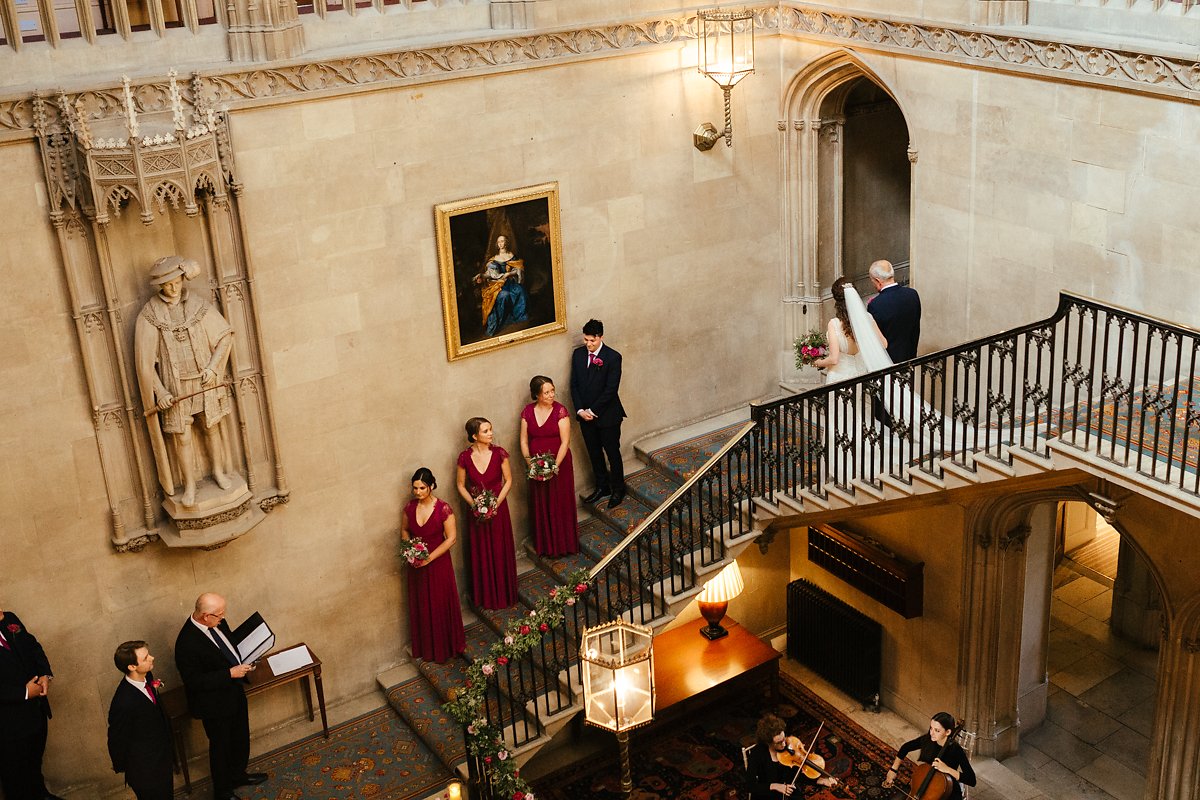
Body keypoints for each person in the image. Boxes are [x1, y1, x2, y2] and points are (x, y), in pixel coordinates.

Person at [134, 255, 236, 509]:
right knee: (182, 436)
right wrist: (160, 391)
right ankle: (189, 484)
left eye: (176, 282)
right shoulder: (150, 314)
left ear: (182, 278)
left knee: (211, 427)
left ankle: (219, 472)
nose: (173, 288)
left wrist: (214, 368)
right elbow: (146, 363)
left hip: (203, 380)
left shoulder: (198, 306)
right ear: (160, 286)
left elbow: (225, 336)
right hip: (176, 386)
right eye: (167, 284)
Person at [174, 593, 267, 800]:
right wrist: (229, 673)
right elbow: (194, 681)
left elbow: (228, 646)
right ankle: (223, 791)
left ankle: (238, 775)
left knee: (240, 738)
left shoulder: (217, 622)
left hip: (234, 692)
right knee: (221, 747)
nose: (223, 618)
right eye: (219, 615)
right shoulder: (186, 643)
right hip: (214, 704)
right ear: (206, 616)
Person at [401, 467, 467, 662]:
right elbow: (405, 530)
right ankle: (426, 646)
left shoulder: (443, 509)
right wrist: (411, 549)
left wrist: (428, 558)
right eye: (415, 488)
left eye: (422, 488)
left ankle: (445, 646)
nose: (418, 492)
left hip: (438, 564)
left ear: (431, 486)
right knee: (422, 603)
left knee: (439, 603)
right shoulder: (409, 508)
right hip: (416, 566)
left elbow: (451, 538)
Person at [456, 417, 519, 609]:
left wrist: (495, 505)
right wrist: (475, 505)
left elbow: (508, 480)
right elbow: (460, 484)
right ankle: (486, 596)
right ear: (474, 436)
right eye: (485, 431)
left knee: (500, 548)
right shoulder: (464, 458)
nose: (490, 433)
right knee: (481, 550)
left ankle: (505, 592)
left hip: (498, 510)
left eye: (490, 429)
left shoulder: (500, 453)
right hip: (477, 513)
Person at [0, 606, 60, 800]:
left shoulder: (9, 619)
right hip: (9, 725)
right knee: (16, 776)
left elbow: (33, 646)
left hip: (36, 712)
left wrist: (44, 674)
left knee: (34, 763)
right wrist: (24, 692)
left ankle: (41, 795)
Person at [569, 319, 627, 509]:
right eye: (585, 340)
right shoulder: (578, 355)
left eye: (591, 341)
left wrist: (592, 411)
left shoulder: (613, 357)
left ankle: (618, 488)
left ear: (600, 337)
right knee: (594, 454)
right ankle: (602, 486)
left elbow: (611, 390)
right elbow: (574, 385)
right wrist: (580, 411)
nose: (588, 344)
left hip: (607, 416)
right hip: (584, 416)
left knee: (612, 453)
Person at [519, 375, 579, 557]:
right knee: (542, 501)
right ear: (537, 394)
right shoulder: (527, 412)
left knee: (559, 500)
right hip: (536, 465)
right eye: (546, 392)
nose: (551, 395)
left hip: (559, 463)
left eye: (552, 390)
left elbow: (565, 441)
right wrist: (532, 464)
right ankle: (546, 545)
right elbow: (523, 441)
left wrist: (553, 467)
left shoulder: (560, 411)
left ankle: (564, 544)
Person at [107, 641, 173, 800]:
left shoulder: (147, 676)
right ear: (132, 667)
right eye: (145, 658)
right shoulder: (123, 702)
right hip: (145, 770)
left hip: (162, 757)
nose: (152, 657)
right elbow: (117, 738)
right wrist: (124, 766)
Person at [882, 711, 976, 800]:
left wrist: (947, 769)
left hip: (947, 790)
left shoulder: (956, 750)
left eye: (937, 730)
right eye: (931, 728)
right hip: (926, 781)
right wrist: (893, 770)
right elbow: (905, 747)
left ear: (947, 732)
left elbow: (971, 780)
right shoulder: (928, 739)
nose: (931, 733)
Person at [813, 277, 887, 385]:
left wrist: (818, 363)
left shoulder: (834, 324)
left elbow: (834, 359)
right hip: (860, 375)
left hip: (839, 377)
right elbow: (884, 344)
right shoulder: (868, 318)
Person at [746, 713, 839, 798]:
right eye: (778, 743)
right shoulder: (757, 754)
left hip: (789, 788)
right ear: (768, 742)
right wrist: (775, 786)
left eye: (783, 738)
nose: (783, 744)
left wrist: (820, 780)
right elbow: (749, 786)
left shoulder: (790, 745)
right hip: (768, 792)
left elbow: (796, 772)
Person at [866, 259, 921, 363]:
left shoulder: (875, 305)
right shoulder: (912, 294)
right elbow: (915, 328)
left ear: (878, 281)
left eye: (872, 281)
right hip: (910, 356)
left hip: (888, 361)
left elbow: (876, 338)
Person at [475, 235, 529, 337]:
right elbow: (491, 274)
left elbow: (518, 269)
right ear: (497, 244)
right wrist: (482, 276)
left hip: (510, 283)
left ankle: (519, 318)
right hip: (498, 285)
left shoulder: (511, 256)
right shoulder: (494, 260)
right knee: (504, 295)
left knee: (520, 291)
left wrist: (509, 274)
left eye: (503, 241)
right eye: (499, 242)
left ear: (506, 243)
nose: (501, 244)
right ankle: (501, 323)